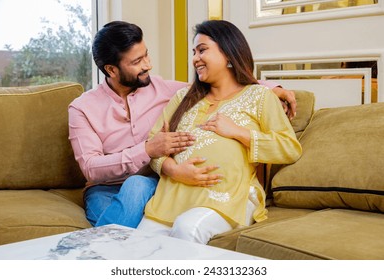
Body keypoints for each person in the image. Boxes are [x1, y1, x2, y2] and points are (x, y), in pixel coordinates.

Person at [68, 20, 298, 229]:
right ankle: (105, 254)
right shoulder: (82, 108)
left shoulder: (165, 89)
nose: (148, 65)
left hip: (152, 182)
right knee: (129, 205)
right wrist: (148, 150)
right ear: (111, 70)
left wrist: (274, 88)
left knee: (137, 186)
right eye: (137, 61)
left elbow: (223, 82)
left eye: (146, 55)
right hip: (107, 188)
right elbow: (90, 167)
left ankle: (104, 250)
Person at [137, 20, 302, 244]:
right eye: (194, 52)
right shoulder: (182, 99)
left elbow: (289, 147)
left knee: (188, 228)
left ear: (228, 52)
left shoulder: (260, 97)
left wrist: (238, 133)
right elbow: (154, 146)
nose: (195, 58)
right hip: (170, 199)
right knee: (138, 248)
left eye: (202, 49)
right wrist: (174, 170)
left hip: (230, 198)